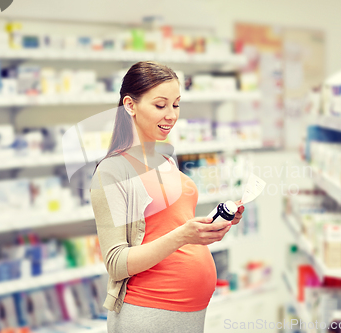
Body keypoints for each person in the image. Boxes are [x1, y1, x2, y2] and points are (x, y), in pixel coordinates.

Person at [90, 61, 245, 333]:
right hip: (150, 313)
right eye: (160, 105)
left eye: (176, 104)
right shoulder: (113, 170)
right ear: (130, 105)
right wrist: (184, 235)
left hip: (190, 312)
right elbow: (116, 263)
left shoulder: (165, 160)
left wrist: (210, 228)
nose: (172, 115)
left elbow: (169, 228)